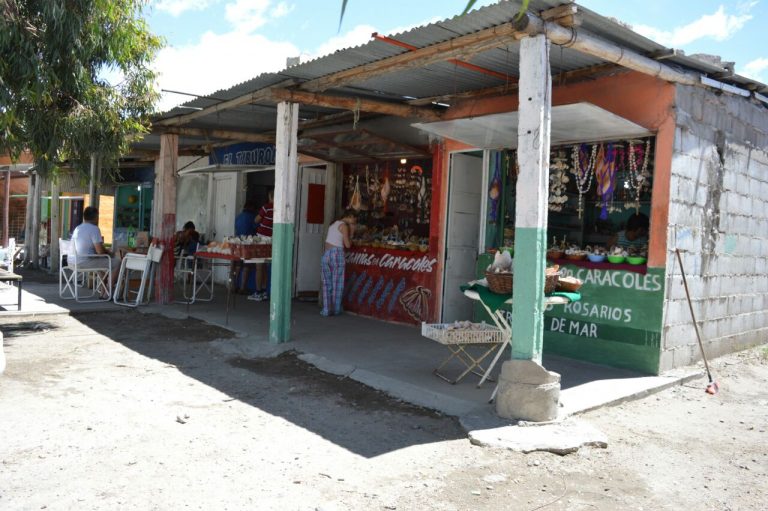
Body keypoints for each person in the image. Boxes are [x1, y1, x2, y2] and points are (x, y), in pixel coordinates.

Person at [71, 206, 120, 297]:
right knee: (117, 262)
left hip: (73, 261)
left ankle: (102, 290)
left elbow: (97, 250)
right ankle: (108, 292)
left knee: (101, 264)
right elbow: (100, 251)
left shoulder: (78, 228)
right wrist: (110, 253)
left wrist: (106, 252)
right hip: (84, 262)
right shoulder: (94, 229)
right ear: (96, 217)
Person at [320, 209, 357, 317]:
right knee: (337, 283)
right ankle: (335, 309)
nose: (353, 223)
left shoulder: (333, 224)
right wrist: (352, 232)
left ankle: (326, 310)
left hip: (326, 254)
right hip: (337, 254)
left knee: (326, 283)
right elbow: (348, 245)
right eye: (353, 221)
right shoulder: (344, 226)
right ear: (349, 216)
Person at [248, 190, 274, 301]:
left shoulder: (267, 207)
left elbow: (256, 219)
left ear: (270, 196)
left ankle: (258, 292)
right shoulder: (279, 209)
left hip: (261, 238)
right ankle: (264, 291)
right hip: (271, 240)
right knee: (265, 266)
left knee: (259, 266)